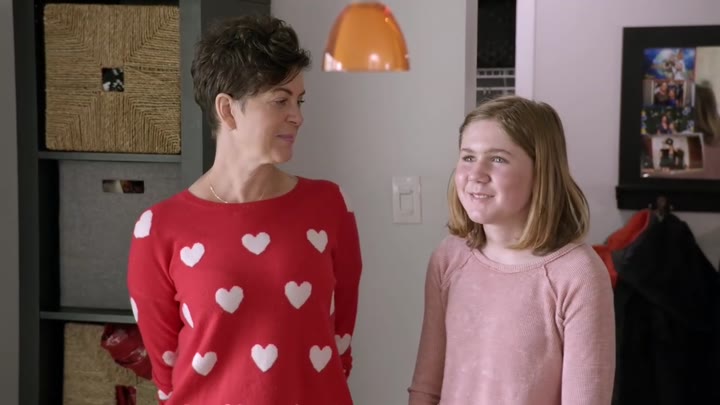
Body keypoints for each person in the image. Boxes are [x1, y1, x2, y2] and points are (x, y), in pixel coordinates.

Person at [126, 15, 363, 405]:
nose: (298, 116)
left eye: (299, 100)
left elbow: (340, 343)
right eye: (280, 100)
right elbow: (166, 372)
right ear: (227, 109)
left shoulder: (330, 206)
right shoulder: (158, 228)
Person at [407, 96, 616, 405]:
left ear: (541, 171)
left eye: (498, 159)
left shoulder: (578, 273)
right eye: (468, 157)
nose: (476, 173)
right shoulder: (448, 257)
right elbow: (427, 386)